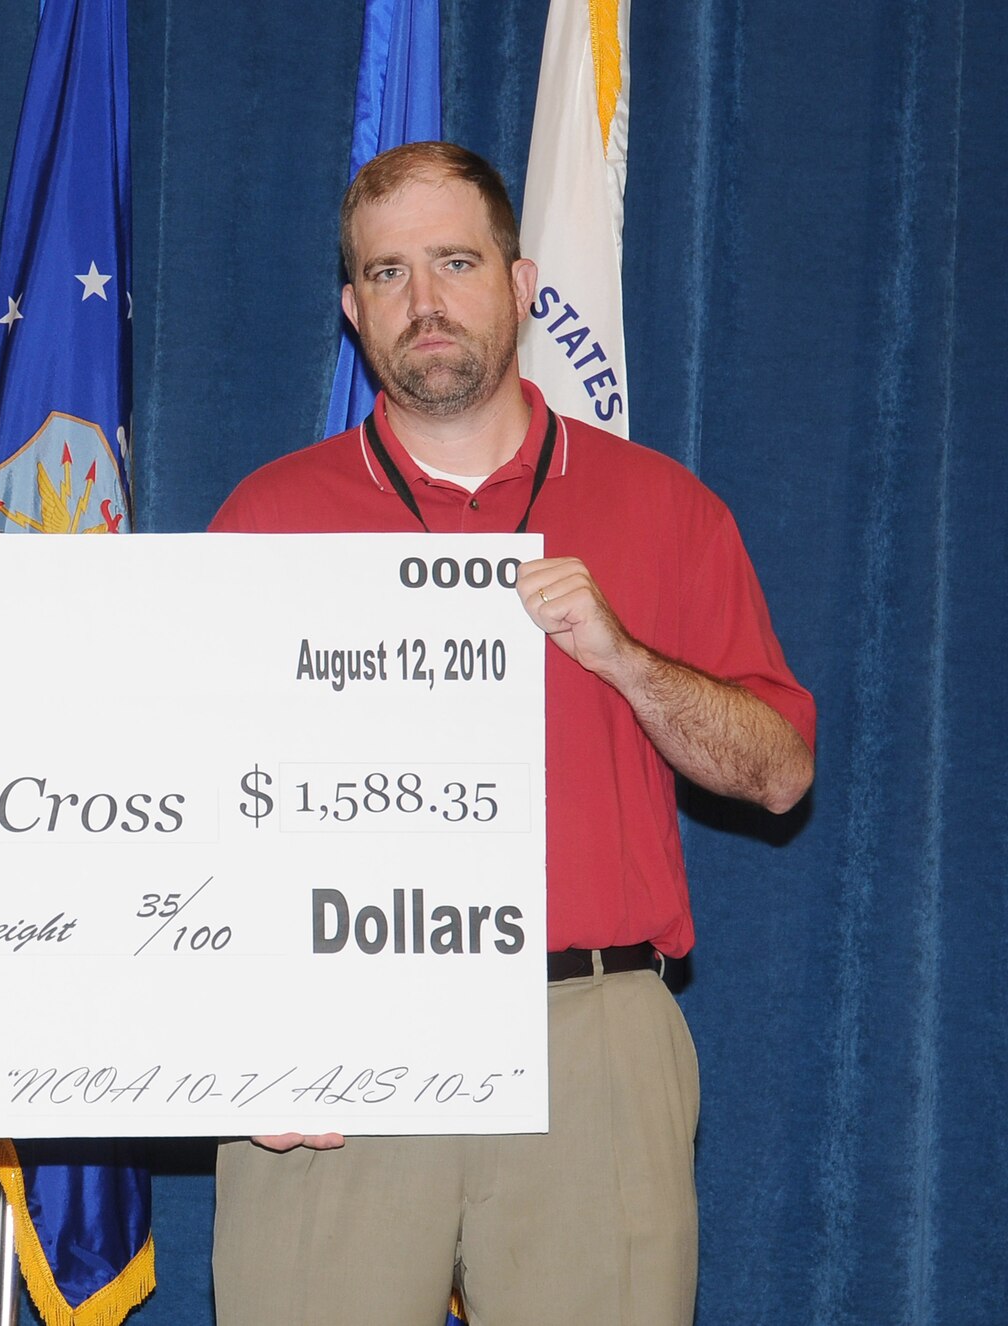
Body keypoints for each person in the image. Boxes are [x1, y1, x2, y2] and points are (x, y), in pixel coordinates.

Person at [208, 142, 816, 1326]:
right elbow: (184, 806)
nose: (422, 303)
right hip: (340, 1033)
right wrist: (236, 1031)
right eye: (386, 275)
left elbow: (778, 775)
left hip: (590, 1038)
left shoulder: (662, 506)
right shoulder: (266, 518)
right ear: (350, 309)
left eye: (452, 263)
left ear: (521, 282)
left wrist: (622, 658)